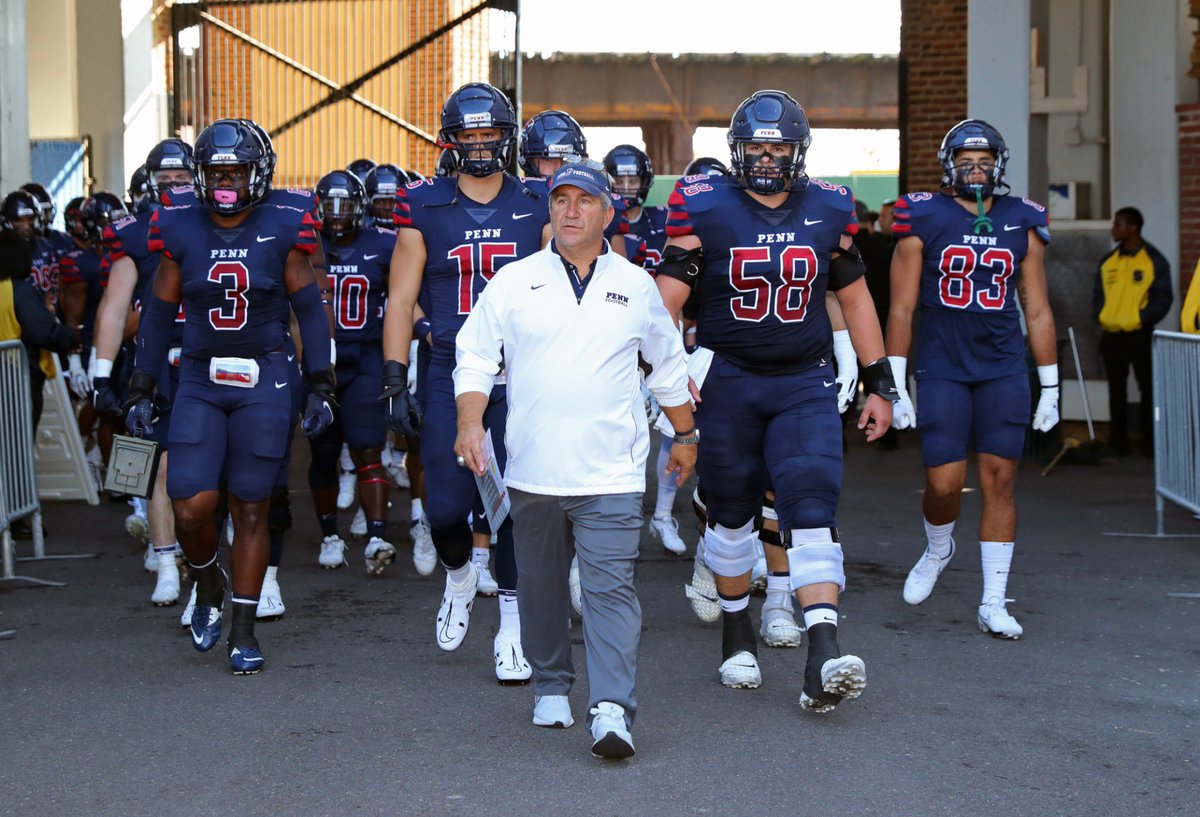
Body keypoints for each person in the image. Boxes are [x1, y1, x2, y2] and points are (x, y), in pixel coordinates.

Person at [656, 89, 894, 712]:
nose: (766, 158)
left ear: (798, 151)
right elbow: (664, 303)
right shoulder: (705, 205)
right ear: (737, 150)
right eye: (756, 147)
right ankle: (737, 633)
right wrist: (663, 378)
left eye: (779, 147)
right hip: (729, 381)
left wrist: (880, 381)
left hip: (803, 380)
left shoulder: (828, 206)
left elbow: (856, 297)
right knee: (732, 512)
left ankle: (824, 654)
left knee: (812, 504)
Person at [453, 159, 694, 759]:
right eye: (560, 199)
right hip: (534, 470)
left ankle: (611, 709)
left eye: (584, 201)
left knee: (611, 590)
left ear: (607, 213)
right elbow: (476, 357)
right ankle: (551, 684)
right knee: (540, 587)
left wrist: (686, 435)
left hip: (611, 470)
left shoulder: (636, 284)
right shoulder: (514, 280)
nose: (570, 211)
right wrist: (470, 423)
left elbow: (667, 365)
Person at [127, 118, 334, 675]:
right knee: (190, 503)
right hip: (200, 377)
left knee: (251, 505)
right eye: (215, 173)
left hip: (265, 377)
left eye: (235, 172)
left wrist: (320, 382)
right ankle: (207, 579)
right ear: (200, 175)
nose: (225, 183)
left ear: (257, 174)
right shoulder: (179, 224)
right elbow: (160, 311)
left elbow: (310, 310)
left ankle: (243, 632)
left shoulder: (284, 222)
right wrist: (141, 384)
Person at [381, 82, 549, 683]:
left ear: (507, 137)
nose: (479, 145)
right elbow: (401, 299)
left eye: (489, 134)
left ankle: (512, 626)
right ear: (450, 140)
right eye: (469, 135)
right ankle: (458, 576)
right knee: (445, 508)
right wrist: (394, 377)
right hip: (450, 371)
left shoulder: (538, 201)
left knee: (516, 507)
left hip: (521, 374)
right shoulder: (422, 204)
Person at [887, 118, 1059, 639]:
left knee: (1001, 479)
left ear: (999, 166)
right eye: (966, 162)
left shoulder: (1022, 219)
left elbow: (1038, 309)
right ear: (949, 165)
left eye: (985, 162)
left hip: (1002, 366)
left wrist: (1051, 387)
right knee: (944, 484)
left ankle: (993, 601)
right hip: (943, 364)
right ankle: (939, 547)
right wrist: (894, 382)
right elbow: (901, 309)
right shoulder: (922, 215)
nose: (976, 170)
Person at [95, 139, 195, 605]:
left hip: (206, 357)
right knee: (151, 458)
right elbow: (114, 308)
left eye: (181, 179)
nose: (173, 188)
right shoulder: (134, 234)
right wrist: (98, 371)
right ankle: (163, 553)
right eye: (164, 180)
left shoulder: (219, 221)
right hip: (150, 360)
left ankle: (206, 549)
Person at [308, 169, 396, 573]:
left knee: (367, 448)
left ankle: (377, 535)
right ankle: (330, 535)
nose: (336, 213)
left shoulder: (381, 243)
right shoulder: (307, 243)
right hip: (320, 362)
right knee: (323, 452)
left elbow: (401, 297)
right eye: (329, 205)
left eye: (344, 205)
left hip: (363, 359)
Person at [1092, 206, 1172, 456]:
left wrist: (1141, 319)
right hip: (1112, 336)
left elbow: (1163, 298)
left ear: (1133, 228)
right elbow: (1098, 296)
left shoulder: (1154, 260)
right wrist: (1101, 316)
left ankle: (1149, 443)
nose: (1113, 229)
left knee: (1148, 388)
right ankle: (1119, 442)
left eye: (1118, 224)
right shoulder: (1108, 261)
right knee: (1116, 389)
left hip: (1140, 335)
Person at [0, 229, 77, 430]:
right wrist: (71, 337)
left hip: (9, 375)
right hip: (18, 377)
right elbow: (41, 331)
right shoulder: (18, 290)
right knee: (17, 439)